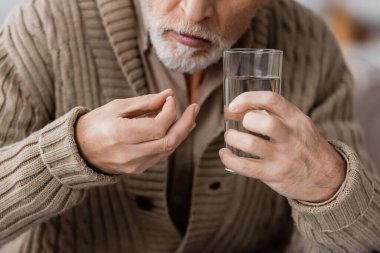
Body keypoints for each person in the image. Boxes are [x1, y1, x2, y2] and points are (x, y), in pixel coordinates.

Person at [0, 0, 379, 252]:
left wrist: (327, 189)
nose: (195, 11)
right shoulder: (46, 24)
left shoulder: (311, 46)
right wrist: (70, 153)